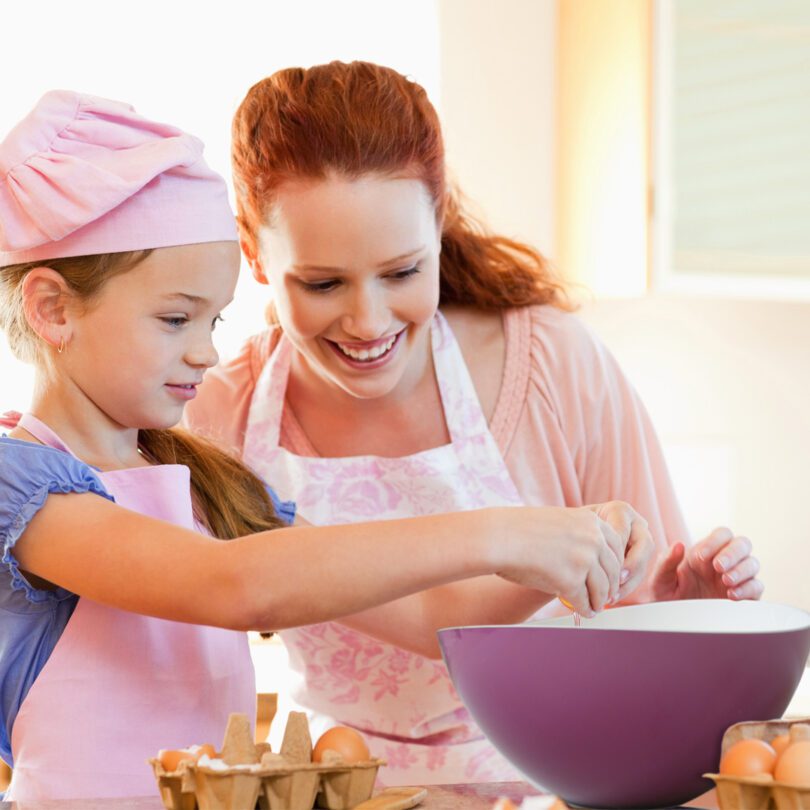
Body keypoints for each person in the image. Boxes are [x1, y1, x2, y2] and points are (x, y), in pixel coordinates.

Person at [0, 91, 656, 801]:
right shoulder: (25, 483)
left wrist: (567, 552)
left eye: (213, 320)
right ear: (52, 309)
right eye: (175, 318)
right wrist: (501, 530)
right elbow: (239, 587)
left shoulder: (201, 475)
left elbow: (429, 615)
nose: (205, 353)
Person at [185, 61, 764, 784]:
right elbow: (432, 623)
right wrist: (520, 541)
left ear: (439, 228)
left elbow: (651, 636)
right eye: (323, 283)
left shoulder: (552, 362)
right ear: (254, 254)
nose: (368, 321)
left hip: (566, 788)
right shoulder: (218, 415)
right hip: (340, 792)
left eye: (401, 272)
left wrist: (682, 617)